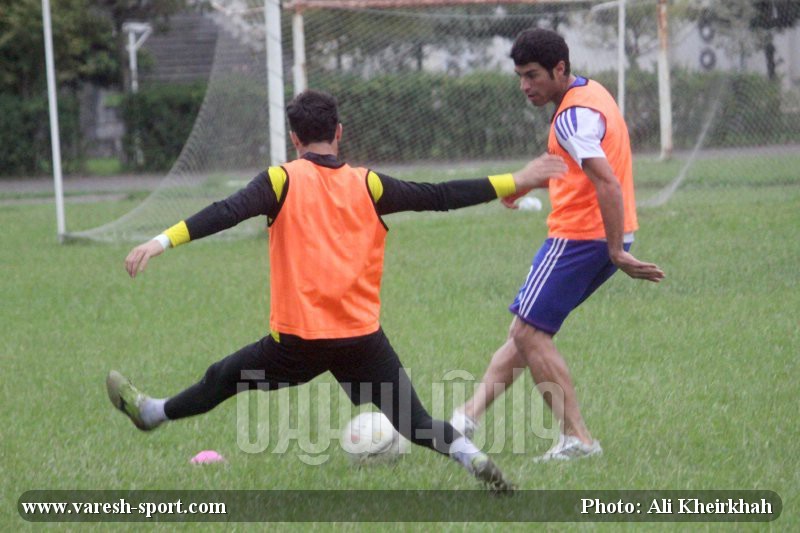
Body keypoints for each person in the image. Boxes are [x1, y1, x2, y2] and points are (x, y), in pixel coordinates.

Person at [107, 89, 567, 492]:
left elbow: (224, 212)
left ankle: (152, 413)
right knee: (416, 422)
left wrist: (161, 241)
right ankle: (471, 456)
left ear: (294, 139)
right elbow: (440, 195)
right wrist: (517, 180)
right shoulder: (368, 184)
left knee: (222, 378)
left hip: (297, 343)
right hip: (361, 338)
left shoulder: (280, 180)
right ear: (339, 132)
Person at [451, 29, 665, 462]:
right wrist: (523, 184)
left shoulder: (570, 118)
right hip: (601, 234)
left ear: (559, 69)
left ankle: (578, 439)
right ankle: (463, 420)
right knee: (527, 330)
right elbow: (575, 169)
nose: (525, 85)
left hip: (580, 237)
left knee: (529, 332)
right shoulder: (590, 94)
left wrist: (615, 252)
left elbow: (606, 180)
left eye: (532, 75)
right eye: (520, 76)